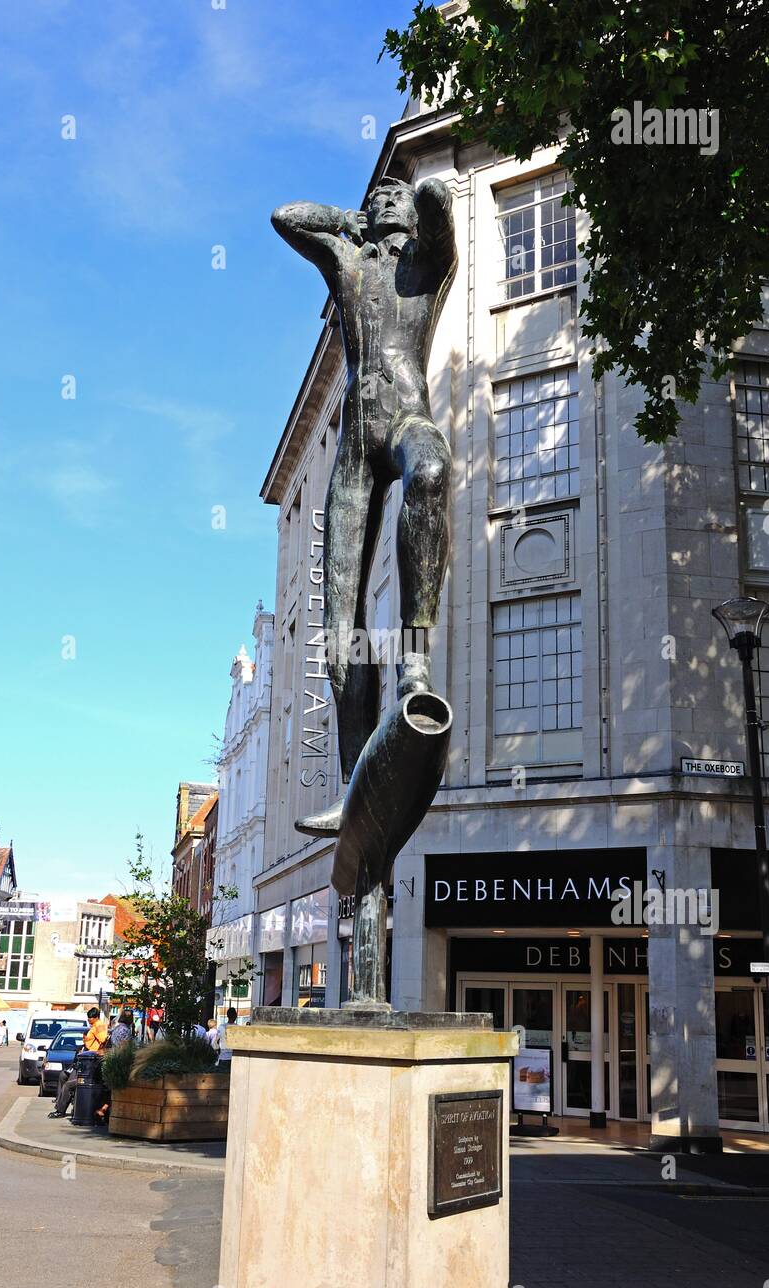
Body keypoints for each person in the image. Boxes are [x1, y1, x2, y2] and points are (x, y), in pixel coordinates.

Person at [272, 176, 457, 837]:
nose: (383, 199)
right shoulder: (347, 260)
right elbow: (287, 215)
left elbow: (437, 205)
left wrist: (417, 200)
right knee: (339, 623)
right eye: (374, 195)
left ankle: (413, 660)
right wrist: (353, 220)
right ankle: (353, 784)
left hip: (406, 418)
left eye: (391, 197)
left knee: (432, 470)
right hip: (354, 445)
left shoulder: (425, 263)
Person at [47, 1008, 108, 1118]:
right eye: (88, 1017)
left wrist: (95, 1049)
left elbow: (103, 1039)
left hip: (90, 1061)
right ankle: (59, 1104)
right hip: (85, 1059)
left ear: (96, 1017)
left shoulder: (99, 1026)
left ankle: (61, 1110)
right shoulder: (94, 1026)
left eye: (90, 1018)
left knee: (69, 1084)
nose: (88, 1019)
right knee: (64, 1076)